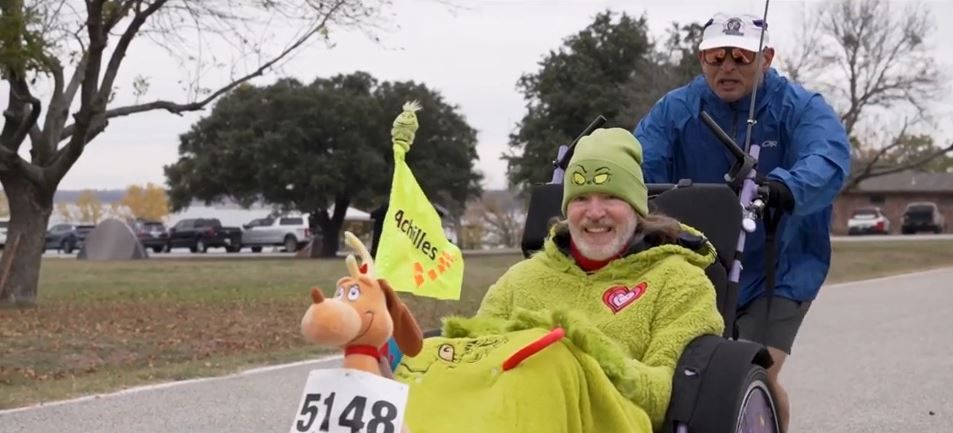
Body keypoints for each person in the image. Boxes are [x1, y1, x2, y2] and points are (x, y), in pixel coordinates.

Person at [394, 128, 724, 433]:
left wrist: (581, 351)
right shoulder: (521, 280)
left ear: (636, 207)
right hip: (506, 416)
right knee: (425, 354)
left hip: (613, 421)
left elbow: (661, 396)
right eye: (581, 198)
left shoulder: (680, 282)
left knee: (551, 358)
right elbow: (478, 360)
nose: (594, 212)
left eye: (610, 196)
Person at [633, 12, 852, 432]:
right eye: (716, 56)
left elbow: (828, 156)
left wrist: (784, 187)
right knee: (686, 374)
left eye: (741, 56)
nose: (727, 67)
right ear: (701, 59)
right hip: (700, 262)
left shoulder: (800, 107)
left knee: (756, 373)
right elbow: (641, 157)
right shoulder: (678, 108)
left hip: (780, 266)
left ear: (766, 57)